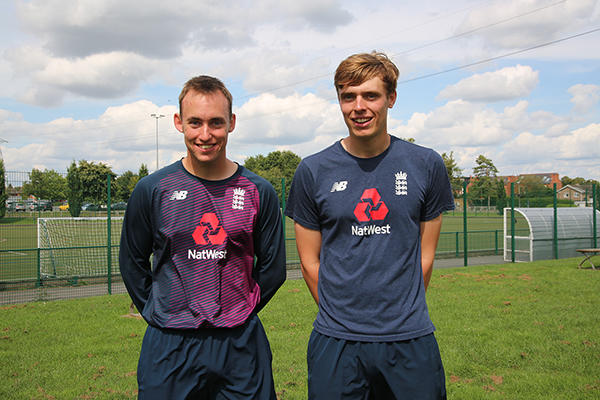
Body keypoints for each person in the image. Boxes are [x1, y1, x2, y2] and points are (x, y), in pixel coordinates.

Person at [285, 52, 454, 399]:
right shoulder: (313, 170)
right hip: (336, 341)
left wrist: (400, 312)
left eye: (370, 95)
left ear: (391, 98)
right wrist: (341, 315)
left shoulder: (426, 164)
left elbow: (426, 255)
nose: (359, 107)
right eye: (349, 97)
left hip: (410, 338)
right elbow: (308, 261)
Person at [119, 75, 286, 399]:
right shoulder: (152, 189)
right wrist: (160, 310)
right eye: (195, 122)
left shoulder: (258, 191)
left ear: (232, 123)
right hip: (170, 344)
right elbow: (132, 261)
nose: (205, 134)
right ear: (179, 122)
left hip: (240, 344)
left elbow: (274, 269)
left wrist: (240, 310)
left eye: (216, 123)